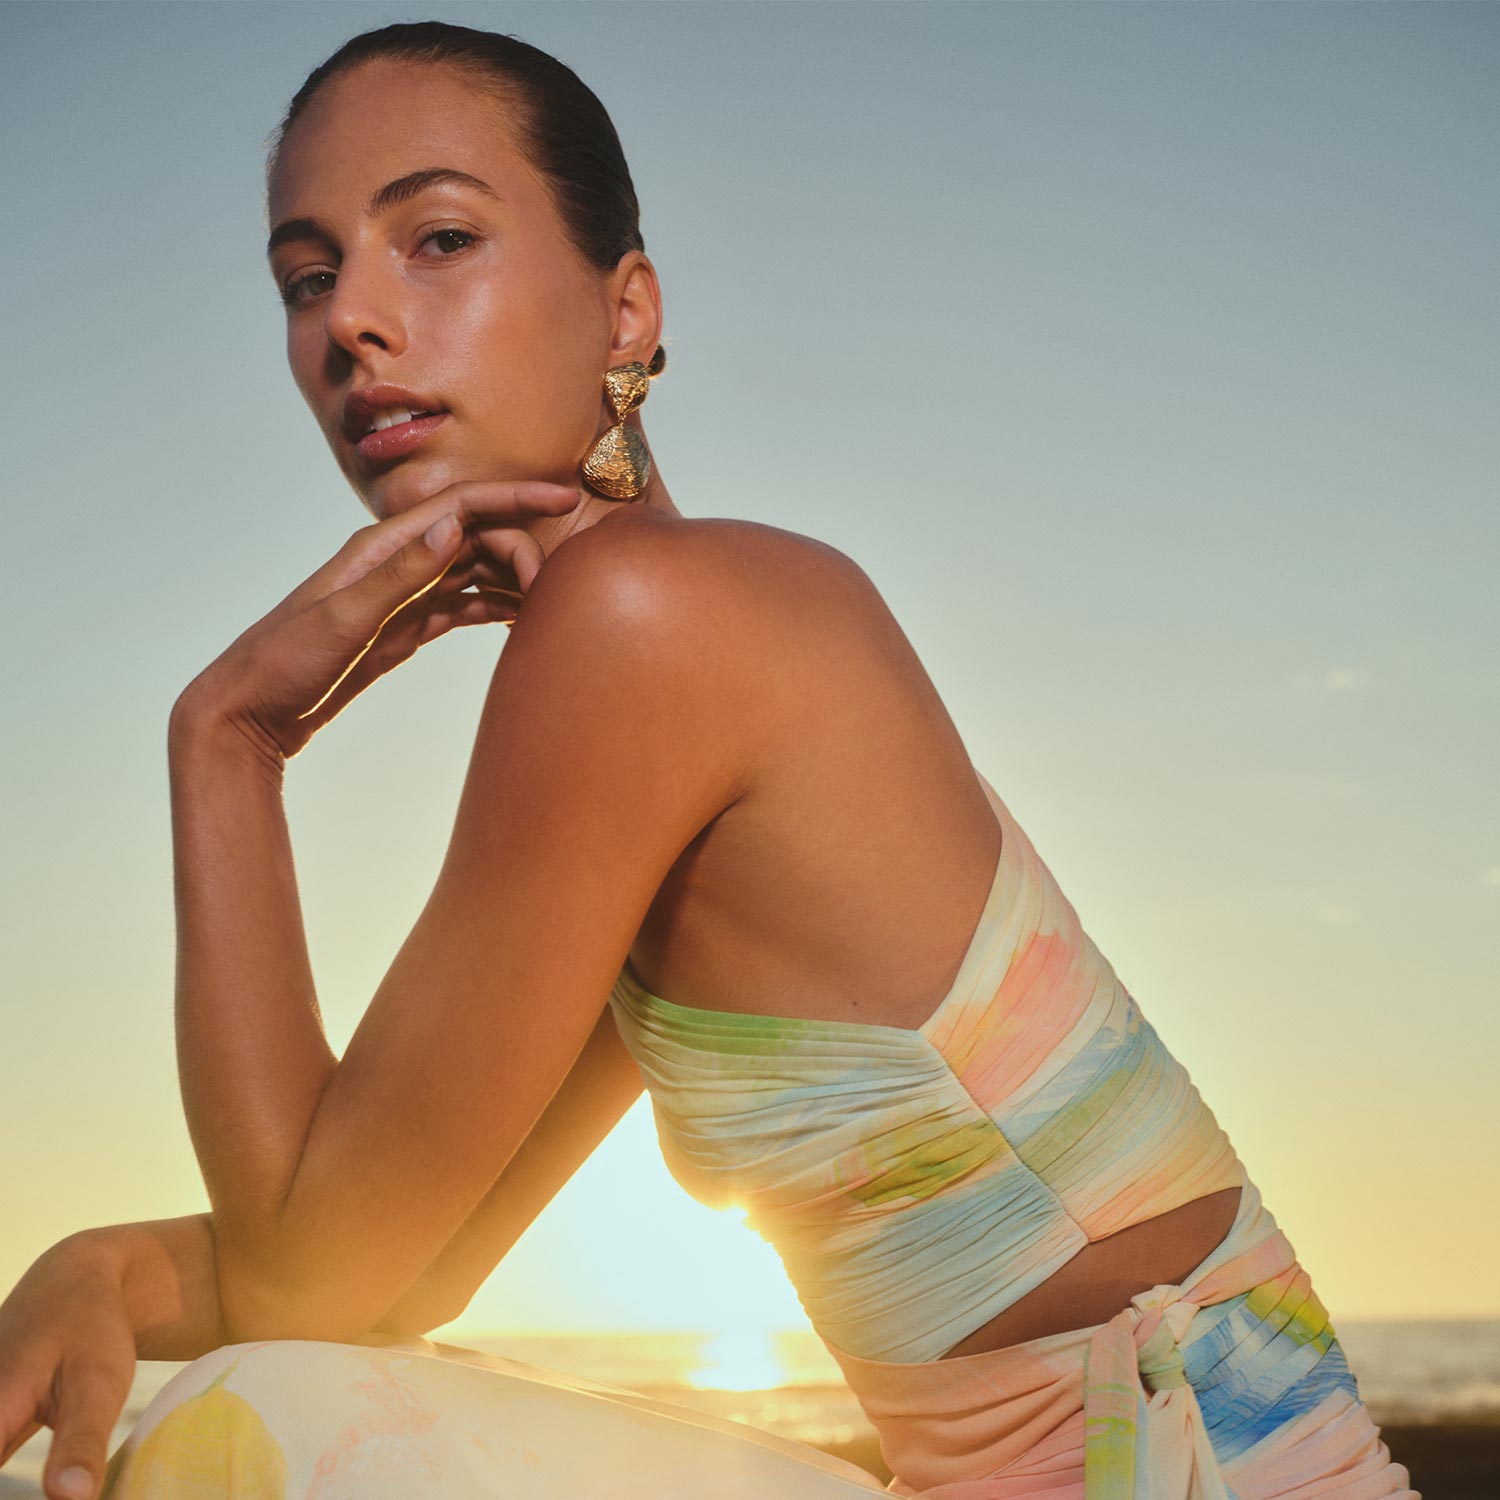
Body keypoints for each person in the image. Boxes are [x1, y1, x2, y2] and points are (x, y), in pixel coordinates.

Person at [0, 21, 1418, 1500]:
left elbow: (311, 1281)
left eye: (438, 239)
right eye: (308, 278)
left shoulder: (647, 621)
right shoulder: (667, 652)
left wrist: (227, 741)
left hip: (1198, 1477)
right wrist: (109, 1269)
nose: (352, 318)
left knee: (248, 1422)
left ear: (626, 313)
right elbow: (394, 1266)